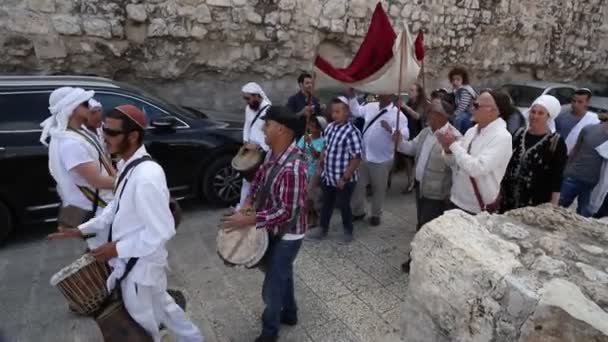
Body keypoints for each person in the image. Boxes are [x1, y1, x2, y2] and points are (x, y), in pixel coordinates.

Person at [49, 105, 204, 342]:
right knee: (167, 310)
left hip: (140, 267)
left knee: (142, 327)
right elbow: (114, 208)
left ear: (133, 136)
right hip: (137, 263)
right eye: (103, 130)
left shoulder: (146, 177)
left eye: (111, 133)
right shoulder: (126, 166)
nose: (104, 137)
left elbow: (162, 230)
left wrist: (116, 249)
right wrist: (81, 230)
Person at [221, 106, 307, 342]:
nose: (263, 129)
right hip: (273, 228)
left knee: (273, 284)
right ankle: (289, 313)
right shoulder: (272, 155)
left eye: (267, 125)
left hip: (289, 235)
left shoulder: (294, 167)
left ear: (280, 129)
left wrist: (248, 219)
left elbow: (287, 212)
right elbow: (258, 180)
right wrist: (248, 201)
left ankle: (270, 332)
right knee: (282, 273)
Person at [40, 87, 115, 249]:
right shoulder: (70, 143)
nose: (90, 107)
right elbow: (97, 181)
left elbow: (103, 163)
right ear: (72, 108)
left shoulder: (79, 133)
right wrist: (130, 183)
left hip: (100, 204)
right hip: (96, 209)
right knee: (107, 253)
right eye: (85, 104)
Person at [394, 99, 460, 273]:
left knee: (425, 227)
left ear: (442, 116)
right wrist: (399, 142)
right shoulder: (425, 132)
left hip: (437, 193)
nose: (428, 114)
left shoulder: (454, 137)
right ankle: (424, 258)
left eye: (432, 111)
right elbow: (412, 149)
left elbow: (456, 167)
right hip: (421, 187)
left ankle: (415, 259)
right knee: (422, 224)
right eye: (429, 110)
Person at [436, 90, 513, 214]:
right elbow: (456, 164)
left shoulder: (502, 137)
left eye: (476, 105)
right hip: (456, 199)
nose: (472, 108)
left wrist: (453, 145)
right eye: (473, 104)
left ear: (494, 111)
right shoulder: (472, 131)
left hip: (476, 207)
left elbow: (477, 168)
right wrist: (447, 149)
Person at [347, 89, 409, 226]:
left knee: (379, 188)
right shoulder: (371, 106)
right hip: (364, 155)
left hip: (382, 158)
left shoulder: (399, 115)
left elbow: (404, 136)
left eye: (384, 91)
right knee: (358, 185)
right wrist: (352, 97)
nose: (380, 94)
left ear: (392, 95)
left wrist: (391, 130)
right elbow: (357, 111)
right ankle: (358, 211)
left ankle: (376, 214)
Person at [308, 97, 362, 243]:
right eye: (333, 112)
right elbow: (326, 147)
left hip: (344, 179)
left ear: (347, 112)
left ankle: (348, 232)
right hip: (329, 176)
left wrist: (345, 177)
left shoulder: (352, 132)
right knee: (327, 204)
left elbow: (356, 158)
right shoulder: (330, 127)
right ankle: (322, 229)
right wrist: (320, 163)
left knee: (344, 206)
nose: (334, 115)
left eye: (338, 112)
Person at [501, 95, 567, 211]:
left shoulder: (556, 142)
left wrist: (553, 205)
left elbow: (557, 176)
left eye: (541, 113)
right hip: (507, 196)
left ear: (549, 117)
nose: (535, 116)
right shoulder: (519, 133)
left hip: (535, 201)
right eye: (533, 112)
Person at [559, 120, 608, 217]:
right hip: (573, 177)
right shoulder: (589, 129)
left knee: (585, 217)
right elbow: (576, 149)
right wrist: (565, 171)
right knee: (556, 209)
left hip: (593, 186)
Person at [239, 82, 272, 209]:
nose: (246, 102)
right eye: (245, 99)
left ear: (257, 96)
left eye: (248, 98)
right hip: (249, 149)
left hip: (263, 151)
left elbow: (270, 132)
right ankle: (242, 208)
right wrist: (245, 141)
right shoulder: (249, 108)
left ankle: (258, 211)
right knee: (246, 180)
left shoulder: (268, 109)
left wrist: (260, 147)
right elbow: (247, 125)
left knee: (261, 183)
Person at [296, 116, 327, 227]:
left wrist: (309, 144)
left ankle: (315, 218)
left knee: (312, 196)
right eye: (311, 125)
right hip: (303, 171)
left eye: (315, 126)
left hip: (315, 173)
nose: (312, 127)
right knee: (304, 196)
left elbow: (316, 156)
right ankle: (308, 217)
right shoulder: (305, 137)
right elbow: (297, 151)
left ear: (321, 129)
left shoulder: (324, 141)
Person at [399, 83, 430, 193]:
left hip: (418, 131)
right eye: (409, 90)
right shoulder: (410, 102)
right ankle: (410, 182)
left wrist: (405, 107)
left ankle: (414, 182)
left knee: (416, 159)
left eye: (412, 90)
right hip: (410, 131)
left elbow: (418, 116)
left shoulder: (422, 104)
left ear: (418, 92)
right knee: (407, 159)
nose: (409, 92)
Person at [554, 88, 600, 154]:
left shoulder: (593, 120)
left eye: (580, 102)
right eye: (573, 101)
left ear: (587, 102)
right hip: (557, 153)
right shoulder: (561, 116)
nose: (575, 104)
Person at [449, 67, 477, 134]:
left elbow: (463, 104)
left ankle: (457, 135)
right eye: (453, 80)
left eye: (458, 79)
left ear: (463, 80)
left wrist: (455, 113)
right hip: (465, 112)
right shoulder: (458, 90)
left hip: (470, 112)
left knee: (458, 119)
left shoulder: (465, 90)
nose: (455, 82)